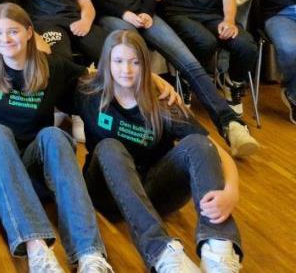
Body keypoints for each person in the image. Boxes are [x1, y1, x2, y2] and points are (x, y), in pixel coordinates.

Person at [81, 0, 259, 157]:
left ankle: (231, 124)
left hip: (145, 16)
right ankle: (175, 132)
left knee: (189, 62)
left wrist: (145, 12)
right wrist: (125, 14)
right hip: (112, 18)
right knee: (139, 61)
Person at [0, 3, 114, 273]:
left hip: (30, 167)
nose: (5, 39)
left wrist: (154, 79)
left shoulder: (51, 67)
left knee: (55, 135)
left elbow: (99, 78)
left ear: (29, 32)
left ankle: (90, 254)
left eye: (13, 31)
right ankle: (37, 250)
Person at [78, 30, 243, 272]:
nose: (126, 70)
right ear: (107, 63)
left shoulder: (164, 102)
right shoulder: (88, 92)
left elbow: (213, 149)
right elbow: (50, 66)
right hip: (106, 193)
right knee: (109, 147)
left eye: (135, 62)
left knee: (198, 143)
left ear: (145, 65)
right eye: (118, 61)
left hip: (154, 191)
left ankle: (218, 248)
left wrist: (232, 191)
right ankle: (163, 253)